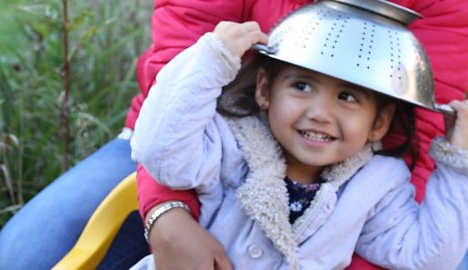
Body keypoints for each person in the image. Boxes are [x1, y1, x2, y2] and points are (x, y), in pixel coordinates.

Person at [135, 0, 468, 269]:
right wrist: (210, 60)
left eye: (347, 97)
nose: (320, 113)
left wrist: (456, 166)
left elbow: (428, 257)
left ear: (380, 122)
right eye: (302, 86)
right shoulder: (227, 145)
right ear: (265, 90)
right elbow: (161, 152)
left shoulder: (378, 187)